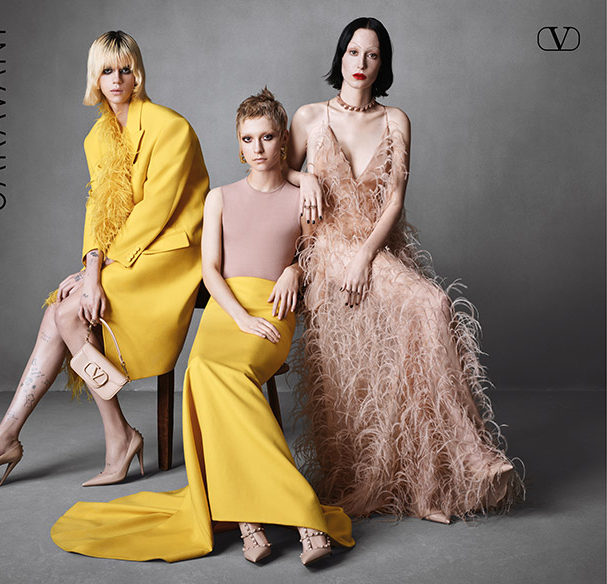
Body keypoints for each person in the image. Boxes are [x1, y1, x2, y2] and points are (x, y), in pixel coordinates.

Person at [50, 89, 355, 565]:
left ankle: (286, 516)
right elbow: (210, 271)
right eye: (248, 139)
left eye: (267, 137)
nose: (257, 147)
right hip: (227, 310)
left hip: (272, 308)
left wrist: (295, 271)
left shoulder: (304, 196)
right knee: (204, 371)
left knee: (223, 376)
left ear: (282, 141)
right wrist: (239, 317)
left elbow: (314, 255)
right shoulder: (220, 199)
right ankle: (256, 518)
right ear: (239, 145)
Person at [286, 17, 524, 523]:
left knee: (431, 307)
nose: (360, 63)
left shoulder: (396, 120)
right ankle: (444, 473)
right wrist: (300, 178)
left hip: (373, 250)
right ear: (340, 56)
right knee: (419, 317)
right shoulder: (309, 117)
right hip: (327, 250)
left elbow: (394, 200)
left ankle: (447, 474)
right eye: (353, 52)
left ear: (383, 64)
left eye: (372, 55)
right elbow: (270, 169)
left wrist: (366, 257)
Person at [0, 31, 208, 487]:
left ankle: (117, 436)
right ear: (95, 77)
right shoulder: (97, 138)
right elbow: (98, 209)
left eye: (125, 69)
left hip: (171, 253)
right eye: (107, 70)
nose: (117, 79)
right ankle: (8, 436)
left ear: (138, 74)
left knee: (69, 314)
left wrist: (99, 273)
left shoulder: (171, 127)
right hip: (128, 253)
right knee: (59, 311)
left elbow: (154, 212)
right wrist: (91, 268)